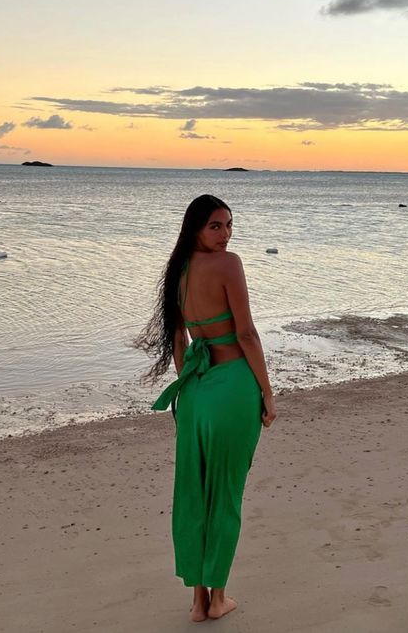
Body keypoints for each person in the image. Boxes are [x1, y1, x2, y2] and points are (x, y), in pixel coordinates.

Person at [134, 194, 277, 622]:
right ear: (195, 227)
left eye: (229, 225)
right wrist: (268, 393)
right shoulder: (229, 264)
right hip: (233, 387)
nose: (225, 234)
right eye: (216, 225)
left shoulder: (178, 269)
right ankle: (216, 599)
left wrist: (187, 383)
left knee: (194, 492)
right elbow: (247, 334)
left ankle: (198, 600)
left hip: (195, 391)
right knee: (225, 493)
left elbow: (179, 339)